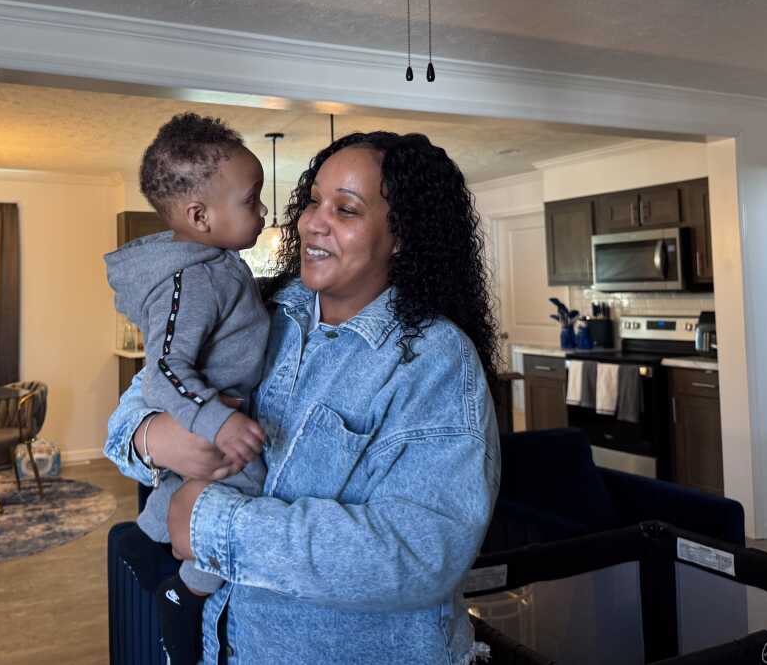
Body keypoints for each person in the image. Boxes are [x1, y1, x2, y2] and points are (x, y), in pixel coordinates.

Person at [105, 130, 501, 664]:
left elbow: (422, 555)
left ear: (401, 235)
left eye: (347, 209)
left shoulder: (433, 361)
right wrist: (157, 437)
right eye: (313, 199)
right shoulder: (261, 307)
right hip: (225, 646)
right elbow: (136, 404)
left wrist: (213, 524)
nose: (313, 221)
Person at [104, 113, 270, 664]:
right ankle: (184, 592)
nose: (264, 212)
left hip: (219, 418)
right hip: (217, 420)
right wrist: (214, 421)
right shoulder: (192, 279)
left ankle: (165, 546)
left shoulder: (219, 265)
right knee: (239, 499)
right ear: (200, 215)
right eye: (252, 200)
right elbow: (165, 372)